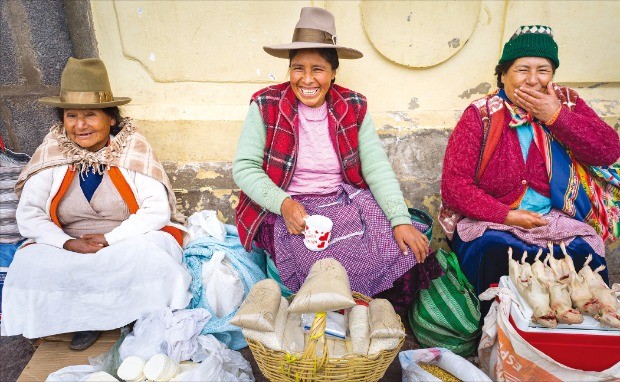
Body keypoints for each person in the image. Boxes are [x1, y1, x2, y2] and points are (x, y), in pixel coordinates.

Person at [233, 7, 441, 311]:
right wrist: (284, 204)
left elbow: (377, 169)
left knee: (398, 244)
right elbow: (244, 168)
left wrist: (399, 220)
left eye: (317, 69)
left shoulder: (352, 106)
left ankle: (360, 319)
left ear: (333, 72)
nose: (306, 79)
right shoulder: (266, 104)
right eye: (297, 68)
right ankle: (323, 323)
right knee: (321, 266)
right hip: (286, 205)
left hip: (342, 200)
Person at [1, 58, 191, 350]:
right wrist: (66, 243)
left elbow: (156, 210)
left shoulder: (132, 148)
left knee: (149, 257)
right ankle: (84, 321)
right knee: (28, 263)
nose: (80, 125)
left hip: (127, 239)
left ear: (111, 118)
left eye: (90, 115)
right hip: (70, 242)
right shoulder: (52, 153)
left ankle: (134, 317)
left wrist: (109, 238)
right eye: (71, 116)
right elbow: (29, 215)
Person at [440, 25, 620, 315]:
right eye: (522, 70)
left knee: (585, 254)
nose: (533, 80)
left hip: (556, 218)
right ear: (503, 74)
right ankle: (499, 335)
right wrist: (507, 215)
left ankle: (580, 338)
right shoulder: (480, 114)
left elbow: (608, 150)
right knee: (495, 251)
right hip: (493, 219)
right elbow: (454, 186)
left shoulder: (567, 103)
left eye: (544, 70)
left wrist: (556, 116)